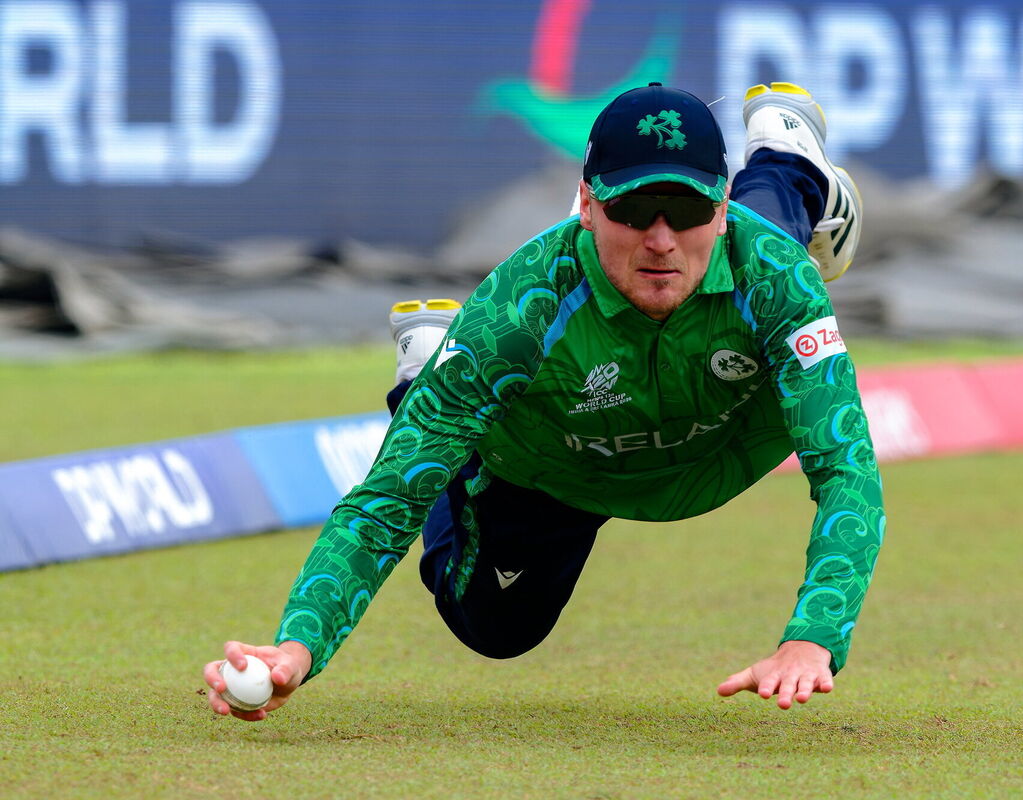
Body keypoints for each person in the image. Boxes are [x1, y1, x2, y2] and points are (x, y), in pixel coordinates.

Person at [204, 81, 884, 719]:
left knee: (768, 249)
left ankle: (788, 157)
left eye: (687, 208)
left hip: (716, 441)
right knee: (496, 629)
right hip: (559, 470)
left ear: (720, 202)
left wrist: (813, 638)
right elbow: (386, 501)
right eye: (630, 209)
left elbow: (845, 468)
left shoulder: (775, 278)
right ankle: (426, 375)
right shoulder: (518, 312)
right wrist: (298, 646)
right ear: (586, 204)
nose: (659, 239)